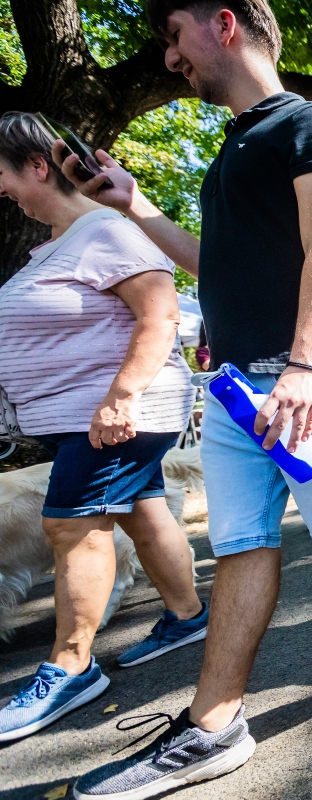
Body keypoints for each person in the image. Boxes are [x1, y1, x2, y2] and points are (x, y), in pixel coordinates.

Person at [59, 3, 312, 794]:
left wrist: (305, 364)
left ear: (223, 23)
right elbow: (213, 265)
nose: (168, 59)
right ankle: (214, 725)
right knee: (237, 542)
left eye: (173, 36)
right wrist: (133, 203)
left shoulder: (311, 125)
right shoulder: (230, 149)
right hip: (234, 386)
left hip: (305, 377)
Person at [0, 112, 206, 743]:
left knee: (71, 523)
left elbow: (161, 313)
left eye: (1, 175)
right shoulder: (64, 242)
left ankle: (71, 666)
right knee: (143, 509)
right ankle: (187, 615)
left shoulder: (104, 230)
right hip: (81, 415)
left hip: (115, 413)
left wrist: (121, 396)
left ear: (37, 166)